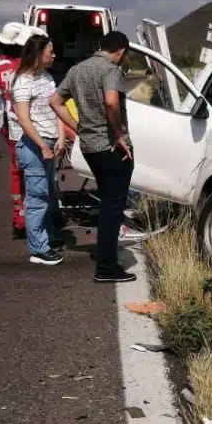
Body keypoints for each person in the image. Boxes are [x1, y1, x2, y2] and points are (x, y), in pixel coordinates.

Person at [50, 30, 136, 284]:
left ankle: (106, 261)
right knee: (113, 207)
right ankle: (106, 267)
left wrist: (77, 126)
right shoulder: (111, 70)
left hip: (88, 146)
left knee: (108, 202)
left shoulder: (77, 70)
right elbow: (111, 102)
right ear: (120, 51)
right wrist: (119, 134)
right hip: (110, 148)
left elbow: (55, 101)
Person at [10, 33, 67, 265]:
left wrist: (61, 136)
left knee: (49, 195)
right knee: (37, 198)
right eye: (49, 52)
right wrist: (43, 145)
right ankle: (38, 249)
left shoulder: (46, 77)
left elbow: (57, 107)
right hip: (35, 145)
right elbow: (24, 119)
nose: (53, 55)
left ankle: (48, 238)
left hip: (50, 142)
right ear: (37, 55)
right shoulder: (23, 81)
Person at [0, 22, 31, 239]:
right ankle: (36, 216)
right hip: (31, 127)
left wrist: (2, 127)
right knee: (36, 172)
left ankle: (19, 216)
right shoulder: (26, 67)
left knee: (17, 172)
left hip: (13, 129)